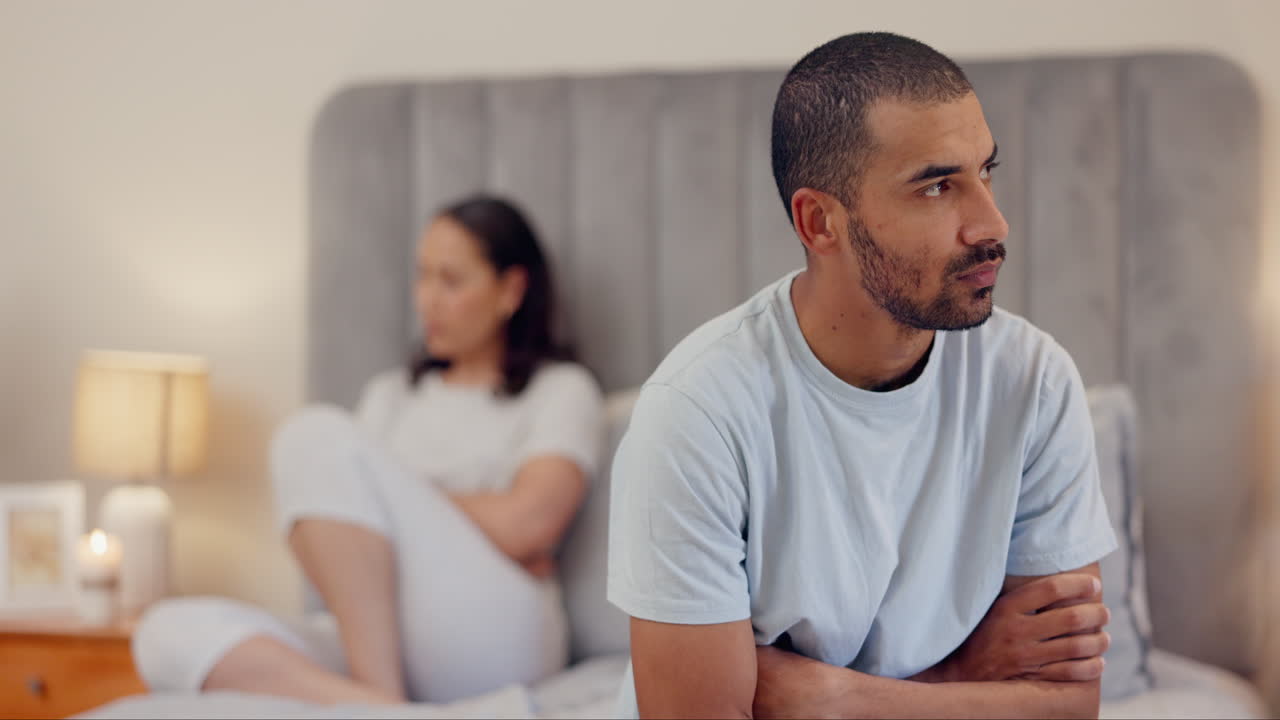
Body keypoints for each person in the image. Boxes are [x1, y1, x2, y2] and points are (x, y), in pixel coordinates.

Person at [607, 32, 1117, 719]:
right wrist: (966, 675)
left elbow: (1066, 703)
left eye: (985, 173)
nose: (991, 222)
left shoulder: (1033, 383)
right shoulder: (697, 411)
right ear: (820, 222)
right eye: (938, 186)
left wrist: (824, 697)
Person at [134, 195, 604, 704]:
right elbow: (340, 541)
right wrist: (425, 503)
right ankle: (381, 706)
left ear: (510, 290)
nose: (426, 299)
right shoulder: (391, 396)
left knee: (311, 433)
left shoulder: (561, 389)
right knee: (164, 634)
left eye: (450, 280)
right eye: (422, 276)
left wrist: (392, 499)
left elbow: (529, 523)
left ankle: (372, 696)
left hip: (496, 633)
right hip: (382, 635)